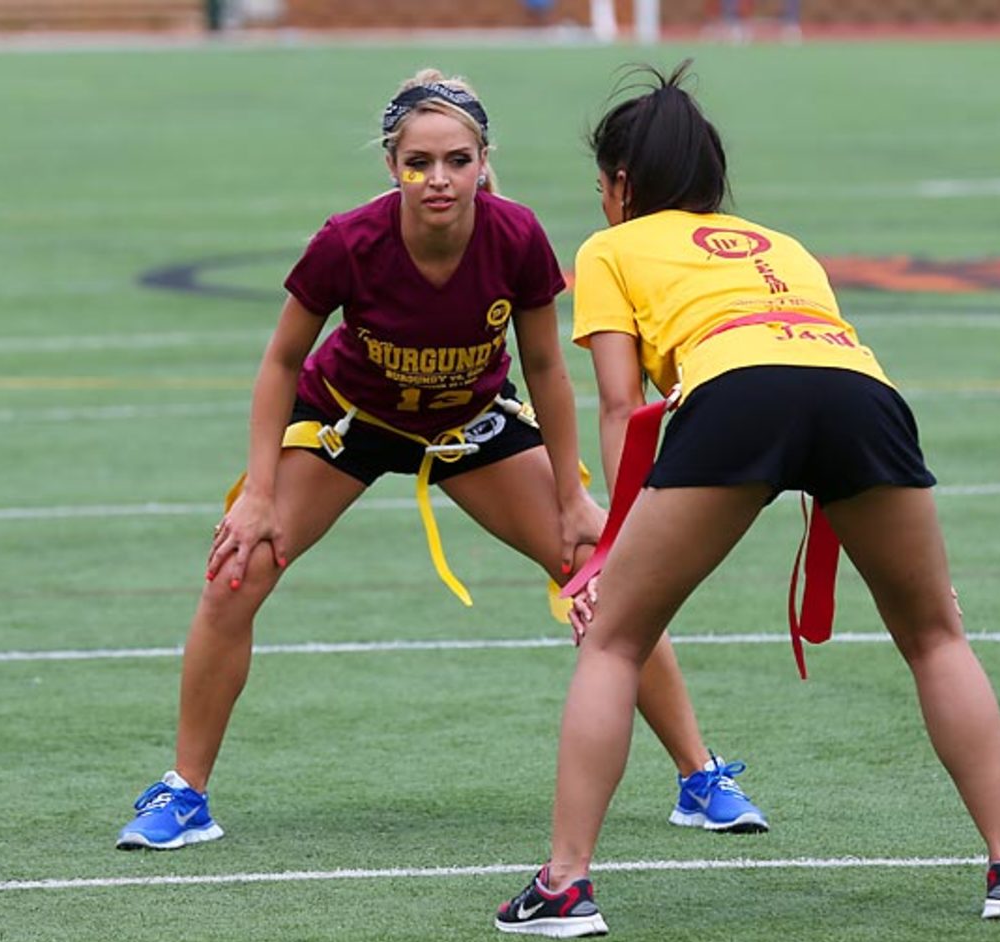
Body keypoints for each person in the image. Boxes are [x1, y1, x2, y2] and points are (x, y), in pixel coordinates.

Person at [115, 68, 768, 852]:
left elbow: (550, 371)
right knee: (236, 568)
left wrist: (572, 498)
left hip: (471, 421)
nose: (438, 178)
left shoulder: (517, 235)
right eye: (419, 161)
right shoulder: (348, 241)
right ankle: (184, 792)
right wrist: (258, 493)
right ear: (391, 166)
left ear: (483, 161)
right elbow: (281, 362)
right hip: (351, 419)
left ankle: (700, 778)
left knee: (599, 565)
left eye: (457, 159)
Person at [494, 60, 1000, 938]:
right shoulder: (782, 244)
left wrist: (609, 548)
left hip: (736, 391)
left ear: (619, 185)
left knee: (614, 644)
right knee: (934, 633)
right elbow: (816, 376)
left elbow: (623, 406)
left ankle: (565, 886)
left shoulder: (609, 247)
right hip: (863, 396)